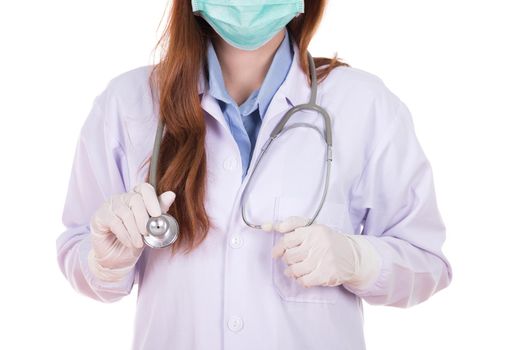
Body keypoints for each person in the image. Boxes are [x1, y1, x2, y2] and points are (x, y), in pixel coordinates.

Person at [56, 1, 452, 349]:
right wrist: (105, 259)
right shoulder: (126, 104)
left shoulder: (365, 105)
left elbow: (427, 262)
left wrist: (357, 259)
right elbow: (78, 256)